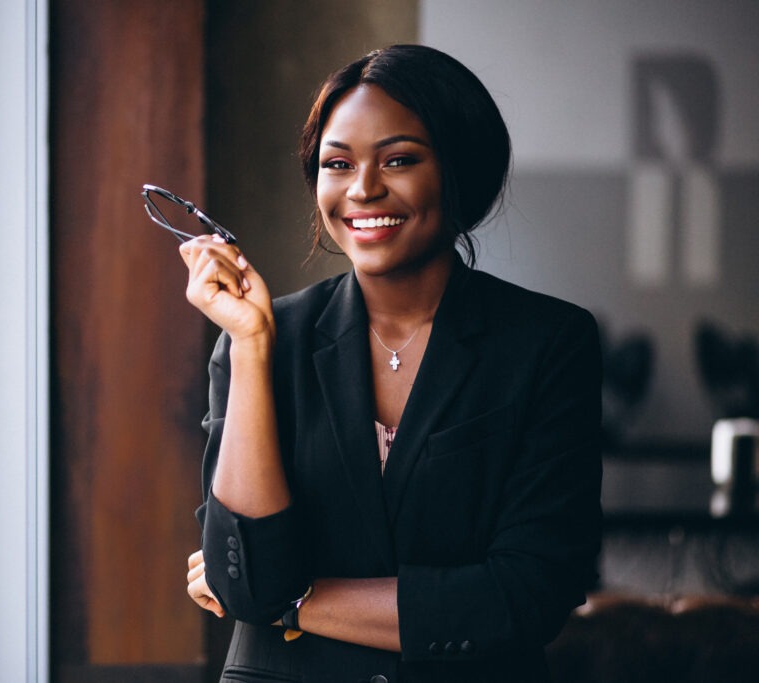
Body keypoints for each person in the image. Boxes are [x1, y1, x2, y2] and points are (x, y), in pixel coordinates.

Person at [180, 44, 601, 683]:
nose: (363, 188)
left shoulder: (547, 342)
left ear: (458, 169)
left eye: (399, 159)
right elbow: (244, 574)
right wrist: (251, 345)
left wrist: (291, 600)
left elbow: (527, 594)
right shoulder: (265, 342)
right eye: (337, 163)